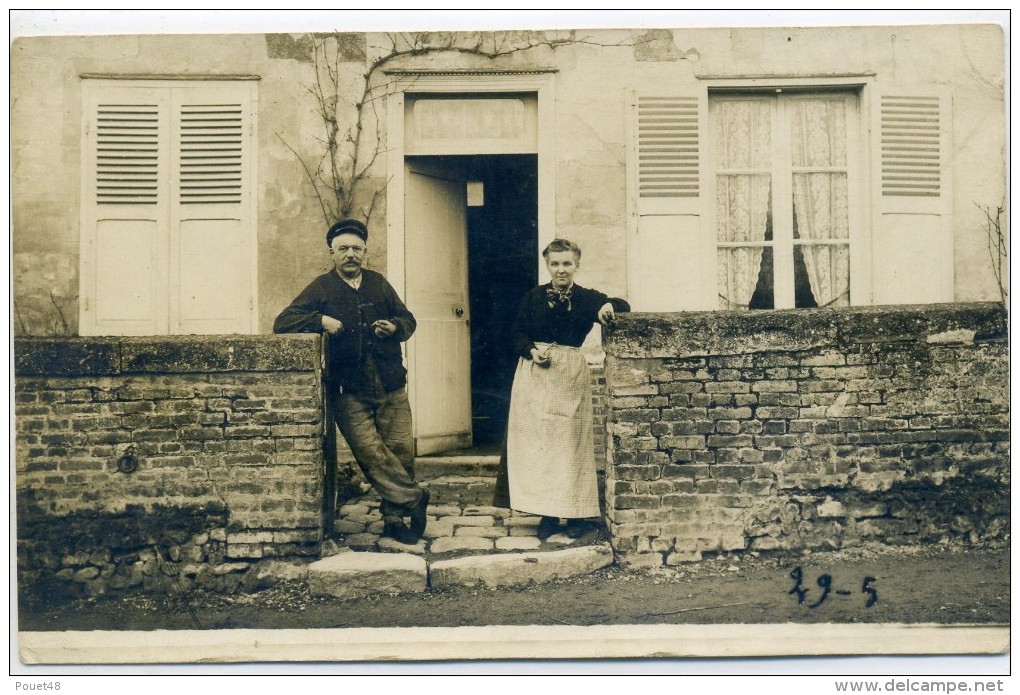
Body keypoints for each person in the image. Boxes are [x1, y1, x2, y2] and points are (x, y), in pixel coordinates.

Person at [273, 218, 429, 545]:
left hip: (389, 383)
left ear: (366, 252)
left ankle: (394, 520)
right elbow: (283, 321)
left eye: (356, 249)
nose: (350, 255)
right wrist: (320, 320)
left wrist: (395, 327)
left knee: (400, 451)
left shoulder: (379, 283)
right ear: (332, 253)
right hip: (348, 389)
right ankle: (415, 498)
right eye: (343, 249)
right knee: (370, 453)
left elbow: (408, 320)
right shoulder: (322, 287)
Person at [493, 238, 630, 540]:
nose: (561, 270)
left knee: (572, 443)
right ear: (548, 266)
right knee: (542, 445)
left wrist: (609, 306)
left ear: (577, 266)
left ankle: (577, 512)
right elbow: (516, 331)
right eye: (555, 264)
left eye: (567, 263)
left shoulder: (586, 298)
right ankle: (549, 514)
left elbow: (622, 305)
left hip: (570, 373)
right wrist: (530, 350)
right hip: (536, 373)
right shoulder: (533, 297)